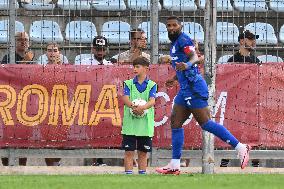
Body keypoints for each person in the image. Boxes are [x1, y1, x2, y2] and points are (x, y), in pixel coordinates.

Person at [155, 16, 251, 175]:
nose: (171, 28)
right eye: (169, 25)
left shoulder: (184, 40)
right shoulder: (175, 43)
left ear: (181, 26)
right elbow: (182, 63)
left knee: (205, 123)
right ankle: (174, 164)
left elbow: (193, 57)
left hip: (194, 88)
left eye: (174, 25)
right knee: (175, 122)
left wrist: (187, 64)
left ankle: (241, 147)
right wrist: (174, 78)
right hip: (185, 88)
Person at [221, 30, 260, 168]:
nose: (253, 42)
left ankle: (255, 164)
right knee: (232, 132)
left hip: (251, 104)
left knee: (252, 134)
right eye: (250, 39)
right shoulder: (232, 60)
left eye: (254, 39)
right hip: (235, 104)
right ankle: (224, 162)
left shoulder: (256, 60)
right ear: (242, 41)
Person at [121, 56, 157, 174]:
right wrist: (133, 106)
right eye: (134, 66)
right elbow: (125, 98)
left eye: (137, 66)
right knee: (129, 152)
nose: (134, 69)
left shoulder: (152, 85)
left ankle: (142, 175)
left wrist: (143, 107)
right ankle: (128, 176)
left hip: (145, 126)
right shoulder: (128, 83)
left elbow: (152, 101)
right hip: (130, 125)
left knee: (143, 152)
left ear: (146, 68)